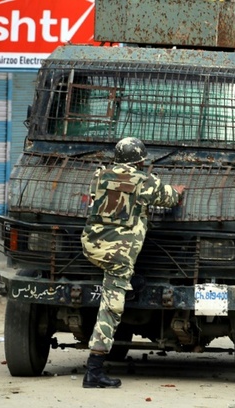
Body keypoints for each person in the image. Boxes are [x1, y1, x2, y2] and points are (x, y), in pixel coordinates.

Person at [80, 137, 185, 388]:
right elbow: (170, 198)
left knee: (125, 280)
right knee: (111, 309)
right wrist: (178, 190)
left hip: (91, 246)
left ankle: (132, 282)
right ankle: (93, 371)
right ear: (139, 160)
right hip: (118, 255)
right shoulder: (143, 181)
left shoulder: (99, 175)